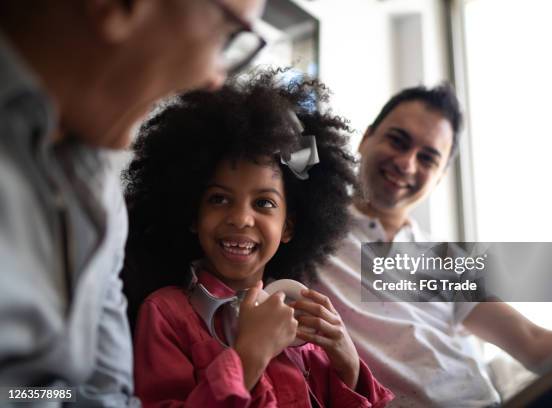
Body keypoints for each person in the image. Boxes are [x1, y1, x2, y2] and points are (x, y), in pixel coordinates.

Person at [0, 0, 265, 405]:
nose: (216, 78)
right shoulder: (167, 312)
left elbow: (100, 392)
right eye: (228, 34)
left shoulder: (100, 192)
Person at [314, 84, 552, 407]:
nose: (406, 163)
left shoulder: (444, 257)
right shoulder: (310, 226)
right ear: (365, 138)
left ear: (440, 176)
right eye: (397, 141)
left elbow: (531, 340)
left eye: (427, 158)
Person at [122, 69, 394, 407]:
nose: (240, 218)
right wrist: (249, 356)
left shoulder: (301, 318)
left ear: (290, 226)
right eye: (219, 198)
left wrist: (349, 363)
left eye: (264, 203)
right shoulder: (167, 313)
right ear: (192, 214)